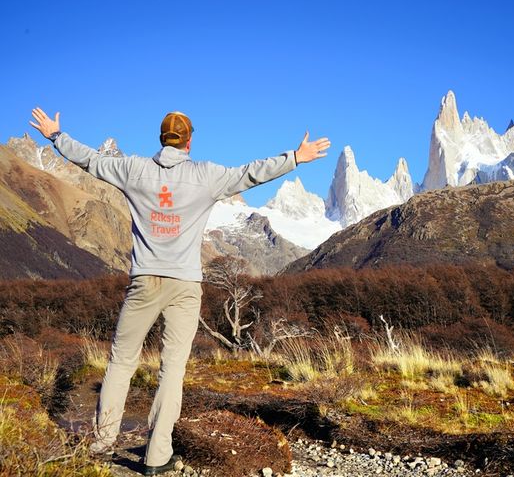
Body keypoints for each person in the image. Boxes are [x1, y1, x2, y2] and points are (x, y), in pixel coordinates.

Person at [29, 108, 330, 476]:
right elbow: (250, 173)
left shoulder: (133, 169)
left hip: (144, 281)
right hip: (185, 285)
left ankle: (102, 443)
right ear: (189, 140)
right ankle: (157, 456)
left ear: (161, 138)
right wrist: (296, 157)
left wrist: (56, 136)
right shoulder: (206, 176)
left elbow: (90, 161)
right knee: (172, 370)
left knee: (121, 362)